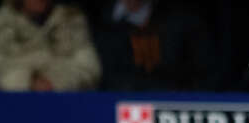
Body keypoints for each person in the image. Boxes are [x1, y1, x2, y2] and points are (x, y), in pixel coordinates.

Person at [91, 0, 224, 92]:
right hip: (112, 107)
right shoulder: (95, 19)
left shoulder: (183, 21)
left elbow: (207, 76)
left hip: (172, 108)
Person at [0, 0, 101, 91]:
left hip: (67, 108)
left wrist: (54, 82)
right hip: (10, 110)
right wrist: (28, 82)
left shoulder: (72, 21)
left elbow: (90, 69)